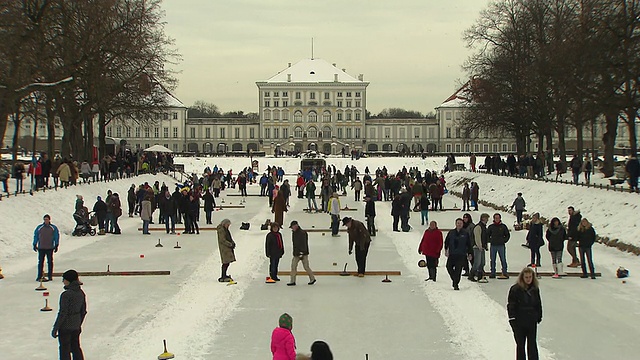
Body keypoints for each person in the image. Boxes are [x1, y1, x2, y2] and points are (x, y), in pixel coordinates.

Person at [507, 267, 542, 360]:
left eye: (530, 277)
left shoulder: (535, 289)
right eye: (526, 277)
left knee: (532, 345)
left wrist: (538, 316)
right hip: (519, 321)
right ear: (522, 277)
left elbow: (538, 303)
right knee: (520, 345)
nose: (528, 279)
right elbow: (511, 305)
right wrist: (512, 319)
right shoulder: (515, 289)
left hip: (531, 320)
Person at [52, 269, 87, 360]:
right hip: (76, 325)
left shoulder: (66, 295)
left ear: (68, 280)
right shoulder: (81, 293)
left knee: (64, 349)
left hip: (65, 327)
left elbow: (63, 313)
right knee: (75, 347)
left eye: (64, 279)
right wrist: (78, 323)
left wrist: (56, 328)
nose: (63, 281)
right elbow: (83, 311)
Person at [444, 218, 472, 290]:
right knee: (448, 267)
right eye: (458, 223)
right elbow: (447, 241)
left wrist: (470, 253)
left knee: (458, 269)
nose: (459, 224)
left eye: (460, 223)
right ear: (455, 224)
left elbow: (469, 244)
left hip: (461, 254)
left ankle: (456, 284)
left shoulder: (465, 233)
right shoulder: (451, 232)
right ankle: (454, 279)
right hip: (452, 254)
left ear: (462, 224)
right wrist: (446, 249)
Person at [287, 221, 316, 286]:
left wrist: (302, 252)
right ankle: (292, 281)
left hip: (303, 253)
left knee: (306, 267)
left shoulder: (302, 233)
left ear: (296, 226)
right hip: (296, 253)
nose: (292, 228)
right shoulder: (294, 233)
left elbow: (304, 244)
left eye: (293, 227)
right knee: (293, 266)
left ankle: (312, 278)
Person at [33, 214, 60, 281]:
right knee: (40, 262)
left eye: (47, 219)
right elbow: (36, 236)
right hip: (41, 247)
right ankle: (39, 276)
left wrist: (56, 245)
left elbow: (56, 236)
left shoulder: (53, 228)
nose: (46, 221)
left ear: (49, 220)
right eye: (45, 219)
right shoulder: (40, 227)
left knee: (50, 262)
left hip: (49, 247)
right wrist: (34, 244)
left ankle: (50, 276)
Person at [487, 213, 510, 279]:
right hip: (493, 245)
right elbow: (487, 235)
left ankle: (505, 272)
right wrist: (490, 240)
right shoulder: (491, 227)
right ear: (494, 219)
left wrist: (504, 240)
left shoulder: (503, 226)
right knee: (493, 260)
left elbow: (507, 235)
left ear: (500, 218)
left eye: (498, 218)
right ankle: (493, 272)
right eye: (496, 218)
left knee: (503, 259)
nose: (497, 219)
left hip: (501, 245)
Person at [470, 213, 489, 282]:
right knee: (477, 262)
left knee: (482, 262)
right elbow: (477, 237)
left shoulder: (483, 227)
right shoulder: (478, 227)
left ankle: (480, 275)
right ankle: (471, 275)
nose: (487, 220)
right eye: (486, 218)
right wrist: (479, 246)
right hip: (477, 247)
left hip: (482, 247)